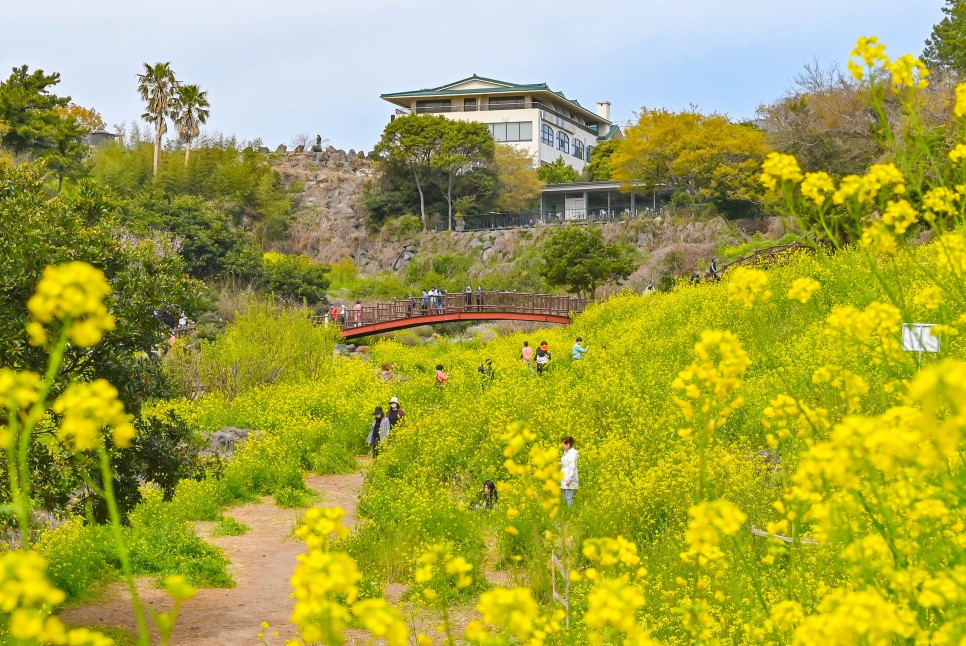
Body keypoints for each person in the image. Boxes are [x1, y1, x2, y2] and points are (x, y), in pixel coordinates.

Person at [560, 436, 579, 506]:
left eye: (563, 444)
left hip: (569, 479)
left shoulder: (572, 454)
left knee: (568, 498)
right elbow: (566, 463)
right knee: (564, 497)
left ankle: (571, 513)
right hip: (565, 478)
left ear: (568, 444)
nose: (562, 446)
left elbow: (572, 467)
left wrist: (569, 480)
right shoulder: (567, 453)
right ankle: (566, 513)